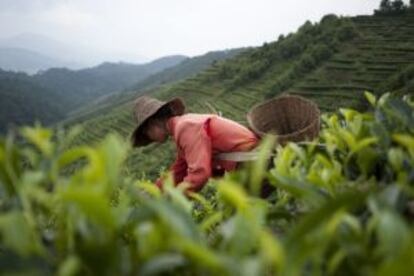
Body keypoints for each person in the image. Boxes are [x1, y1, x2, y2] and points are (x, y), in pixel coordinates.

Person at [131, 96, 259, 192]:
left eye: (146, 132)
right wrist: (153, 191)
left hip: (254, 164)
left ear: (153, 123)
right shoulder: (183, 126)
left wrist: (172, 202)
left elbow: (199, 174)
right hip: (248, 164)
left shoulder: (185, 127)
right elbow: (179, 170)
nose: (149, 138)